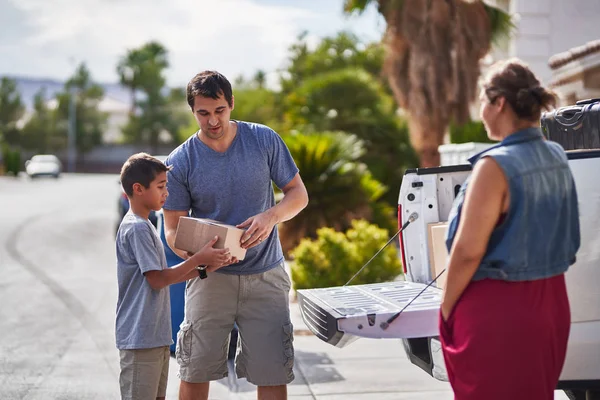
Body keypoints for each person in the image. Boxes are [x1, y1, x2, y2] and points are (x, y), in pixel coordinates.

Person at [439, 58, 581, 399]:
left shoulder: (494, 166)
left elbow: (467, 251)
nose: (480, 113)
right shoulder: (557, 155)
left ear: (499, 102)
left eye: (483, 102)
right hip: (551, 304)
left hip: (500, 312)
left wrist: (444, 310)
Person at [163, 70, 309, 400]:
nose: (212, 121)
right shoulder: (180, 161)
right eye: (203, 113)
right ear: (193, 111)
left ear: (231, 104)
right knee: (194, 370)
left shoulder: (264, 140)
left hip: (266, 277)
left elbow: (298, 194)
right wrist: (195, 257)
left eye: (219, 111)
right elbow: (172, 229)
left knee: (271, 373)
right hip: (209, 280)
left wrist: (271, 216)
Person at [115, 153, 233, 400]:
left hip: (155, 336)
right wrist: (198, 258)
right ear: (138, 189)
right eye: (160, 186)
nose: (166, 193)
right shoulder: (136, 228)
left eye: (166, 185)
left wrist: (206, 267)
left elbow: (165, 277)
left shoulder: (146, 224)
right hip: (140, 338)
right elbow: (156, 279)